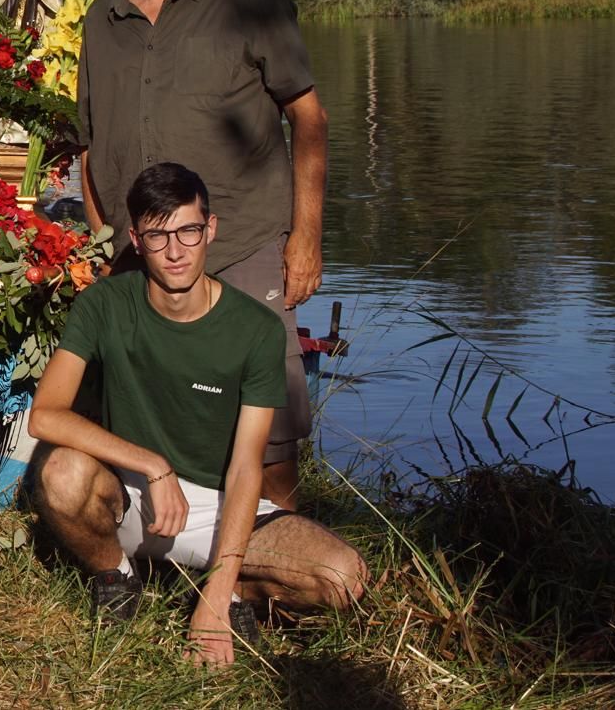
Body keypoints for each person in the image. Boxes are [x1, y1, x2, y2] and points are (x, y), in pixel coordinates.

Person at [28, 163, 366, 668]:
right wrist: (152, 464)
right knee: (60, 473)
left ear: (211, 229)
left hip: (221, 505)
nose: (175, 250)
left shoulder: (256, 329)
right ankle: (116, 574)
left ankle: (226, 587)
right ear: (137, 242)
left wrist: (218, 594)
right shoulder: (105, 304)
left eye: (188, 230)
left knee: (343, 577)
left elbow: (248, 465)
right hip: (131, 493)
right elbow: (45, 416)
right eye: (157, 235)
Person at [77, 0, 329, 510]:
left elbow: (309, 117)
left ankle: (280, 569)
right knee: (157, 415)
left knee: (270, 434)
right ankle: (177, 554)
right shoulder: (100, 22)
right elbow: (88, 142)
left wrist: (305, 238)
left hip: (242, 243)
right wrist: (104, 242)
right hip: (143, 257)